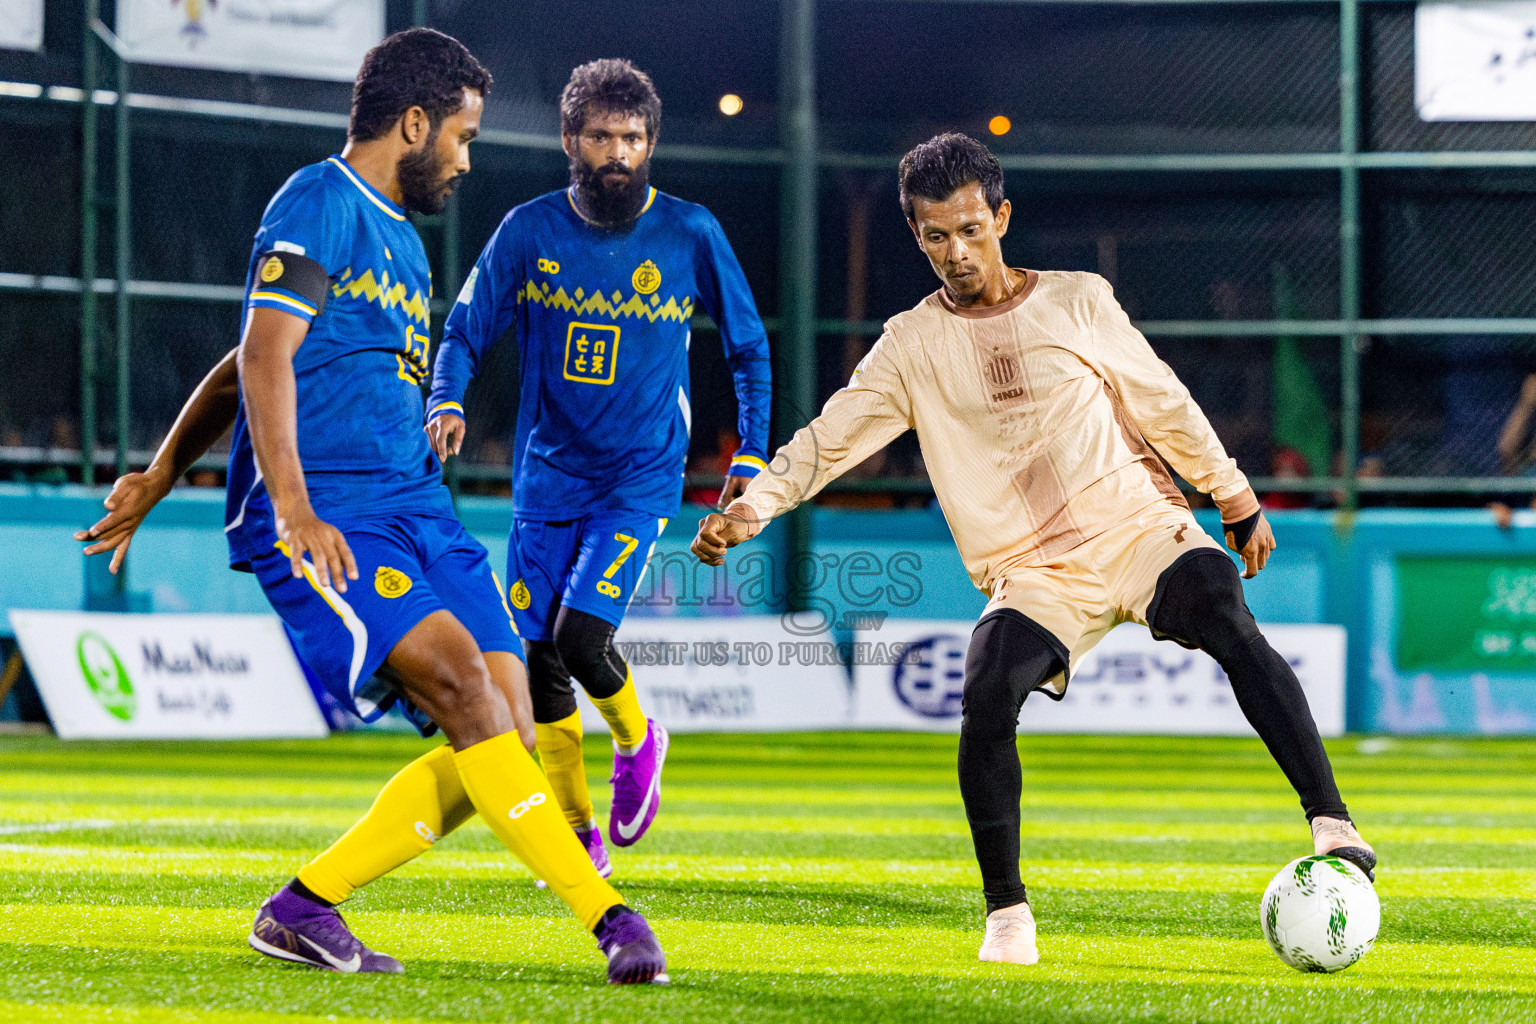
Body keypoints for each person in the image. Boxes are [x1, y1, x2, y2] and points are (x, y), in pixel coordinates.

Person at [690, 133, 1374, 966]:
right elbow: (828, 441)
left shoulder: (1078, 300)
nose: (957, 252)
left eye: (971, 229)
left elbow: (1162, 400)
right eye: (936, 236)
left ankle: (1333, 824)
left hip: (1136, 525)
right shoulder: (911, 345)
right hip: (1033, 572)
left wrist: (1232, 496)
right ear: (917, 236)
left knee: (1227, 614)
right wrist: (750, 507)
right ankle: (1007, 915)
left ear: (1002, 217)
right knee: (984, 693)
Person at [76, 29, 665, 984]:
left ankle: (306, 905)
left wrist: (158, 469)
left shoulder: (402, 239)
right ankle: (608, 919)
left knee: (508, 732)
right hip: (334, 514)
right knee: (463, 691)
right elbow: (262, 355)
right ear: (415, 122)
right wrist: (292, 507)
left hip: (419, 510)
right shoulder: (320, 202)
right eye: (463, 137)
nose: (467, 160)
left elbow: (243, 362)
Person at [426, 59, 772, 872]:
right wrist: (446, 398)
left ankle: (639, 737)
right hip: (544, 480)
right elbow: (465, 330)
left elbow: (749, 348)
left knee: (582, 639)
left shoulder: (690, 232)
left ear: (651, 144)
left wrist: (751, 450)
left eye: (633, 138)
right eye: (602, 136)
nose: (619, 152)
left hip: (639, 478)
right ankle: (578, 833)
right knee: (538, 657)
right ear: (570, 140)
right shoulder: (526, 230)